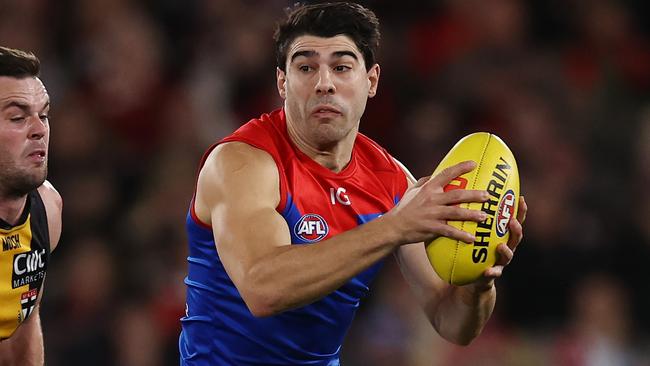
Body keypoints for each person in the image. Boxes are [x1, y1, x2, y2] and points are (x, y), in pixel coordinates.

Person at [179, 3, 527, 365]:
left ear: (371, 81)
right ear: (283, 82)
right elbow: (262, 288)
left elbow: (451, 322)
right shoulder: (242, 163)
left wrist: (477, 281)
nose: (324, 84)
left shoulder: (391, 182)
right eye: (305, 67)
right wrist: (393, 227)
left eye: (342, 67)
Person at [0, 46, 62, 365]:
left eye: (44, 114)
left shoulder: (48, 208)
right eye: (18, 117)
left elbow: (24, 320)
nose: (39, 129)